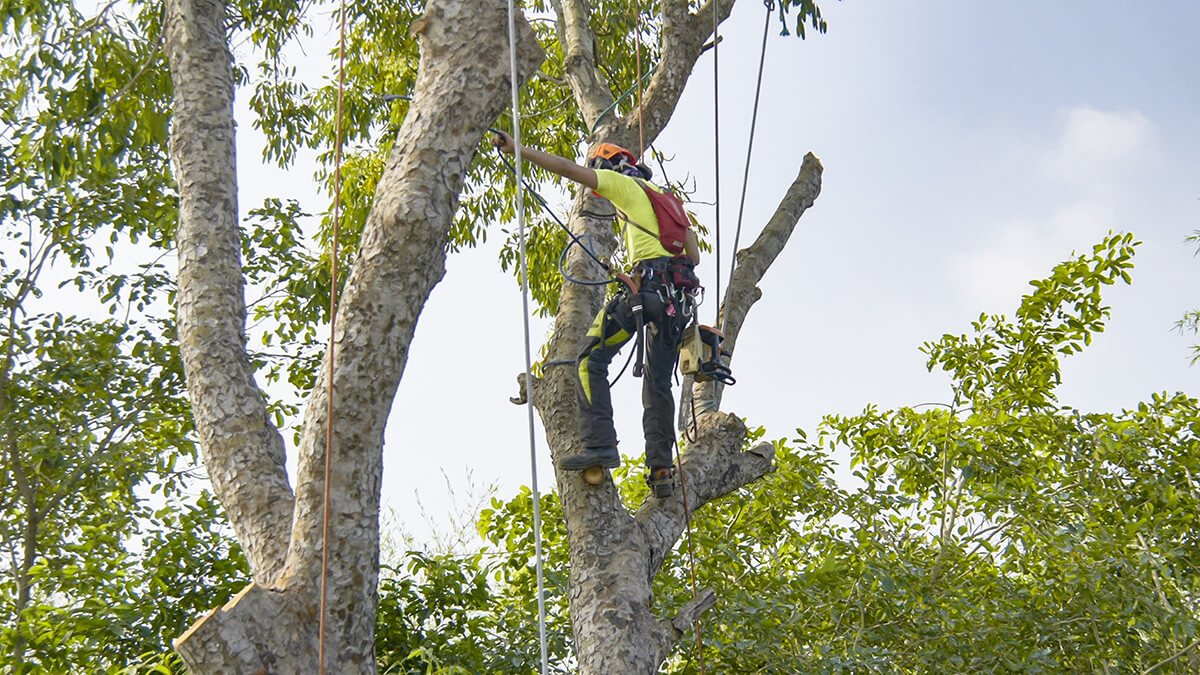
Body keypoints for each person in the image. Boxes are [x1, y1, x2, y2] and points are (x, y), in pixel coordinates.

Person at [490, 132, 701, 498]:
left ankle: (599, 443)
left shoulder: (625, 185)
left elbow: (569, 169)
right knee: (658, 384)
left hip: (648, 297)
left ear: (610, 168)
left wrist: (516, 149)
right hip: (675, 307)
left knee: (590, 358)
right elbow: (693, 257)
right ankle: (661, 469)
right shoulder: (670, 204)